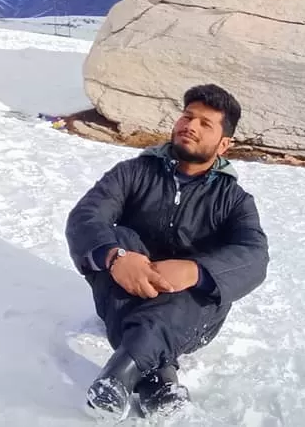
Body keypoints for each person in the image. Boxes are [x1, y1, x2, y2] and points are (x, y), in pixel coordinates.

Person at [65, 83, 270, 420]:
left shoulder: (233, 200)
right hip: (124, 289)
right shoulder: (133, 172)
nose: (190, 125)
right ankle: (158, 384)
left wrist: (196, 271)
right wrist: (115, 258)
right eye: (188, 116)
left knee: (203, 281)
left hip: (190, 311)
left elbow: (254, 255)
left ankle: (117, 378)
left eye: (206, 123)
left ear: (224, 144)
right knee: (122, 235)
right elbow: (87, 215)